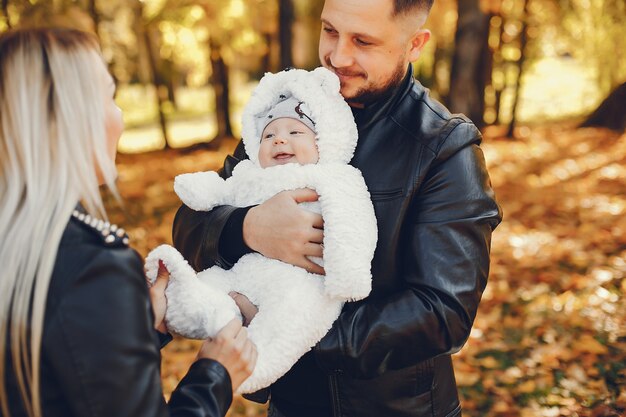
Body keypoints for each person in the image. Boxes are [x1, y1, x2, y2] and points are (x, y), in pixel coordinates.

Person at [173, 0, 503, 416]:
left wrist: (291, 331)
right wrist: (247, 227)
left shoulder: (444, 149)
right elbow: (191, 222)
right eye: (330, 31)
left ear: (414, 43)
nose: (337, 57)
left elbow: (443, 313)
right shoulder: (288, 115)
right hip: (292, 407)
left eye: (363, 41)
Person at [0, 27, 256, 417]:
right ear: (73, 119)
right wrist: (216, 374)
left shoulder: (19, 244)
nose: (118, 117)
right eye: (109, 96)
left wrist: (137, 332)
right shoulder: (92, 267)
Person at [145, 67, 377, 395]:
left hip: (303, 281)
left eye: (295, 133)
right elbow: (220, 195)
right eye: (269, 135)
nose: (280, 139)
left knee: (292, 311)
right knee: (212, 286)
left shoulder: (334, 177)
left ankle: (255, 364)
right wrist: (239, 220)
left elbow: (352, 224)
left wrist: (348, 275)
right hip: (244, 274)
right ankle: (181, 305)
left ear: (324, 141)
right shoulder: (250, 172)